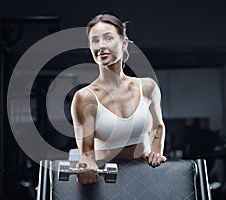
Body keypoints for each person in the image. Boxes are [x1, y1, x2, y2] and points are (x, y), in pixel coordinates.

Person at [71, 13, 166, 184]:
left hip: (144, 177)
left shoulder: (148, 87)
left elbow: (157, 126)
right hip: (106, 182)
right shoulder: (85, 97)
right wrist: (87, 163)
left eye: (108, 38)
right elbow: (86, 154)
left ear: (123, 43)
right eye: (95, 40)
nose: (101, 46)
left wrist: (156, 151)